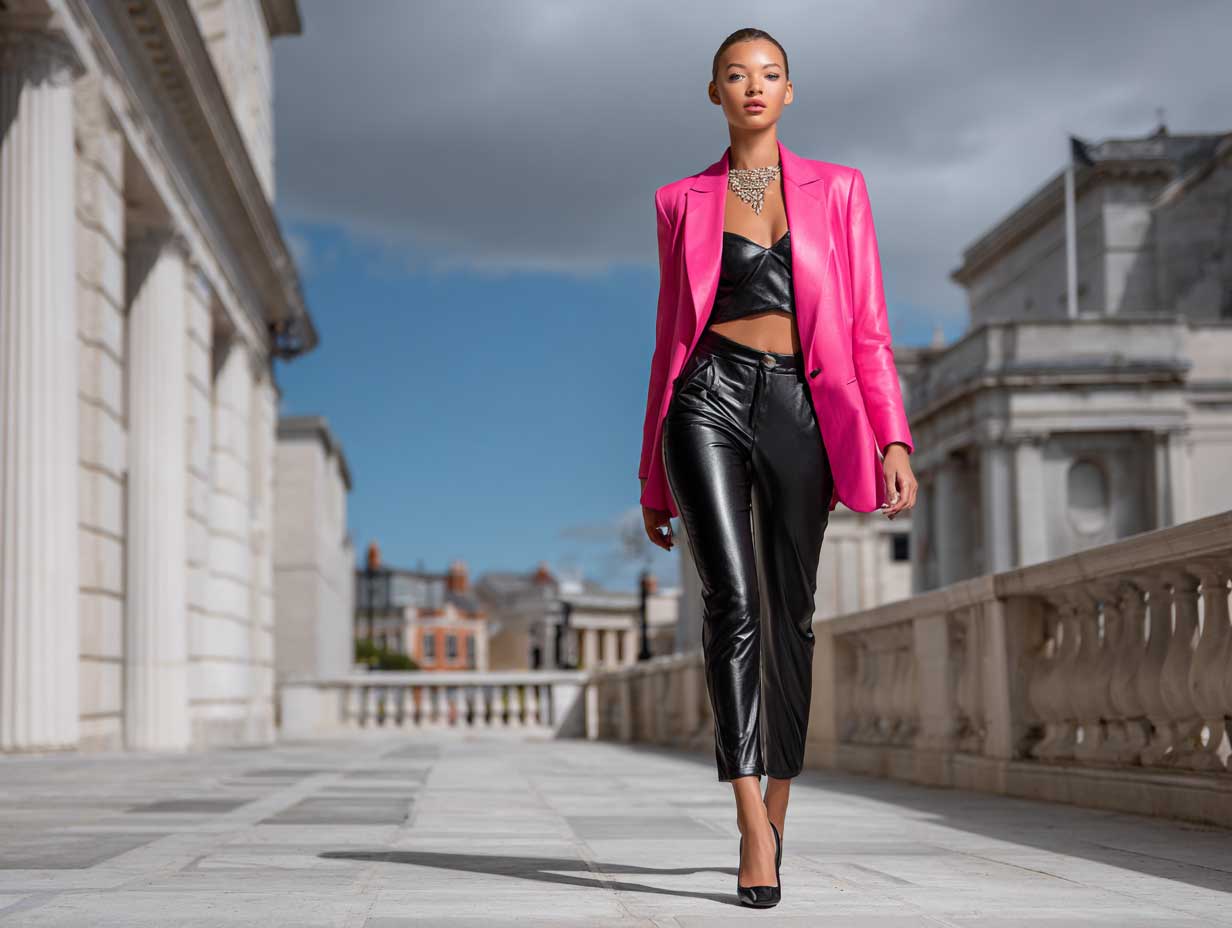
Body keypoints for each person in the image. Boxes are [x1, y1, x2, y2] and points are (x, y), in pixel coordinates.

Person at [636, 27, 918, 908]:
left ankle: (778, 805)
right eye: (735, 74)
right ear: (713, 92)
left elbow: (867, 327)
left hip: (805, 404)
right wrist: (650, 474)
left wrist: (893, 437)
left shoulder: (841, 190)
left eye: (769, 74)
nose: (753, 86)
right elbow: (667, 341)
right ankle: (751, 823)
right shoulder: (679, 201)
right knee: (732, 602)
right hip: (706, 397)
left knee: (791, 614)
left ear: (788, 92)